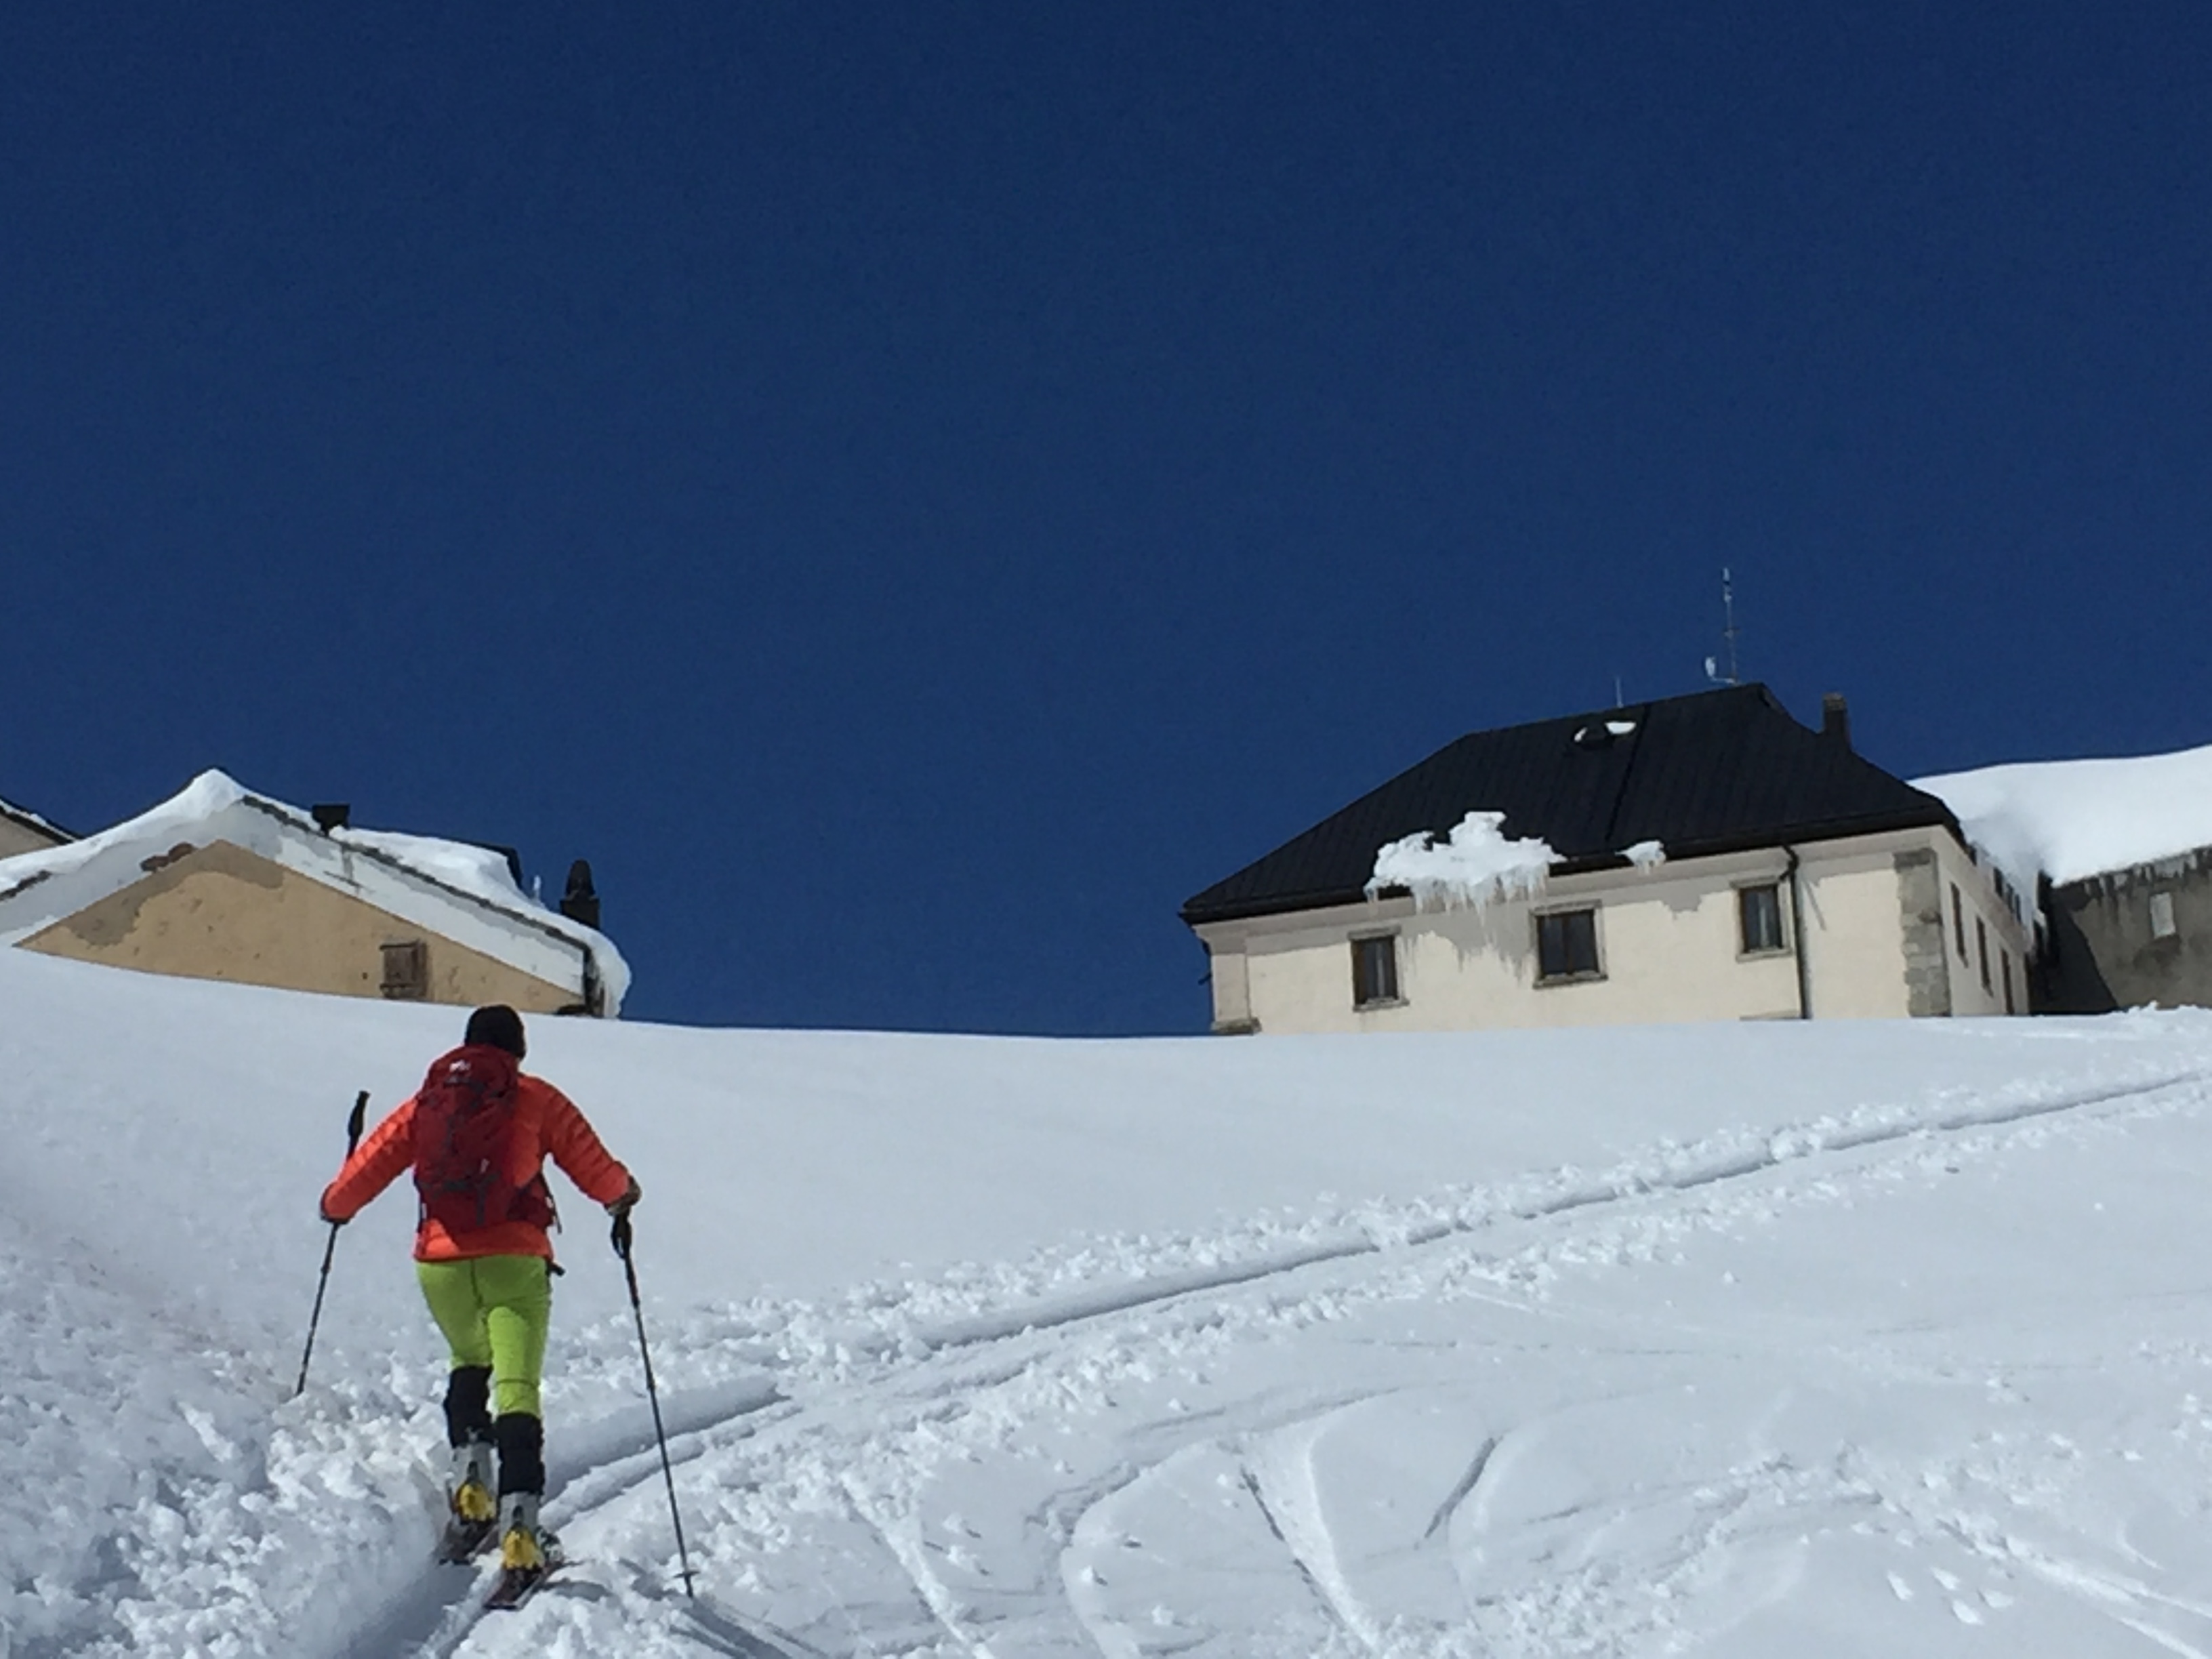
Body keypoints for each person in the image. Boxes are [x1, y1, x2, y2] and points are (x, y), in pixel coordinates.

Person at [319, 1003, 640, 1576]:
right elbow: (590, 1162)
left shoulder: (430, 1100)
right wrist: (622, 1196)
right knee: (517, 1386)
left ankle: (472, 1492)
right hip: (514, 1260)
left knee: (468, 1360)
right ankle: (521, 1528)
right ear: (516, 1052)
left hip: (439, 1263)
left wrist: (335, 1206)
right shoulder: (535, 1096)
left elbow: (373, 1162)